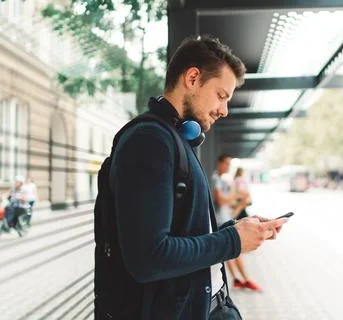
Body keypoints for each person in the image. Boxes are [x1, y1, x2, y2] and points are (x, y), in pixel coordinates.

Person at [104, 36, 288, 319]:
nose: (224, 110)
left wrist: (236, 229)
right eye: (221, 95)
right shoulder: (149, 141)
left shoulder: (176, 140)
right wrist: (233, 241)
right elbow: (149, 258)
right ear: (192, 78)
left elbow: (185, 233)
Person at [212, 157, 262, 292]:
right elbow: (222, 201)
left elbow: (231, 196)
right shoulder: (215, 178)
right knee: (235, 249)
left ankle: (237, 279)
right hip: (218, 220)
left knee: (230, 252)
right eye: (227, 163)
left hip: (225, 217)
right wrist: (236, 198)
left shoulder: (223, 180)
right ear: (220, 163)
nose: (228, 167)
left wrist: (242, 199)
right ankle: (246, 279)